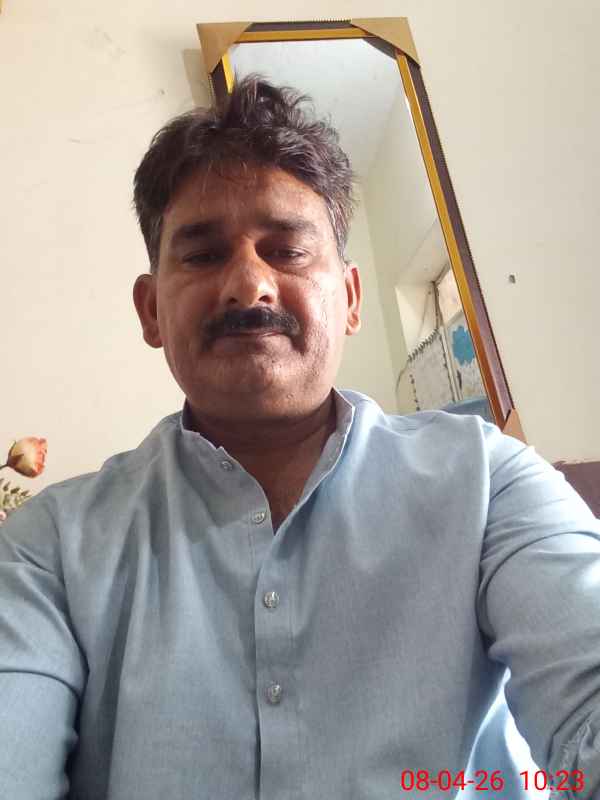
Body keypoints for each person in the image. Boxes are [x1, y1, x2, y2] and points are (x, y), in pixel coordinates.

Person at [1, 74, 599, 800]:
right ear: (151, 310)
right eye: (203, 254)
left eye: (286, 250)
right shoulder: (47, 550)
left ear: (349, 298)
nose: (247, 284)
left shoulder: (489, 483)